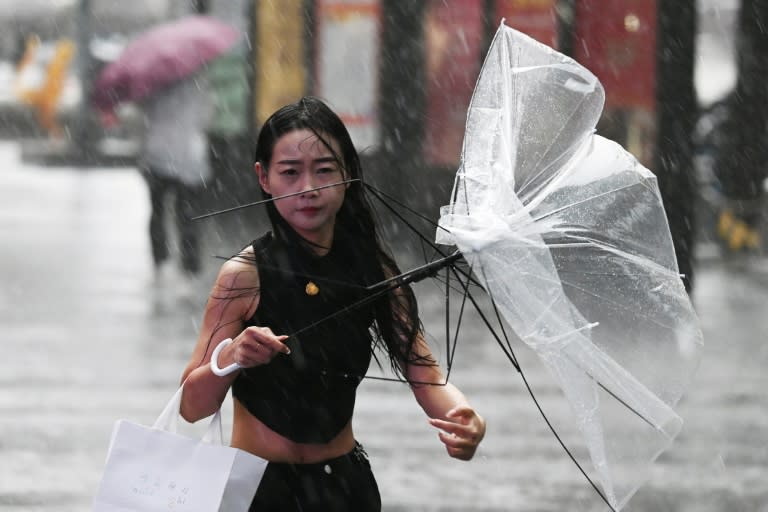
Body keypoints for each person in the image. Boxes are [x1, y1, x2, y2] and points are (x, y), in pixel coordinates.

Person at [178, 96, 486, 511]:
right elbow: (191, 406)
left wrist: (465, 416)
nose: (309, 189)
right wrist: (233, 356)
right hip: (259, 491)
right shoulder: (243, 276)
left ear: (348, 175)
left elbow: (426, 376)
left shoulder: (371, 271)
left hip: (343, 487)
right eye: (290, 172)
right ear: (263, 177)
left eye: (324, 170)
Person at [139, 72, 213, 292]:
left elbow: (147, 116)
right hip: (188, 156)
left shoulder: (153, 83)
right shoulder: (198, 83)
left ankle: (160, 262)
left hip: (157, 153)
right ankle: (190, 268)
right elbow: (206, 117)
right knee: (188, 213)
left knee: (157, 210)